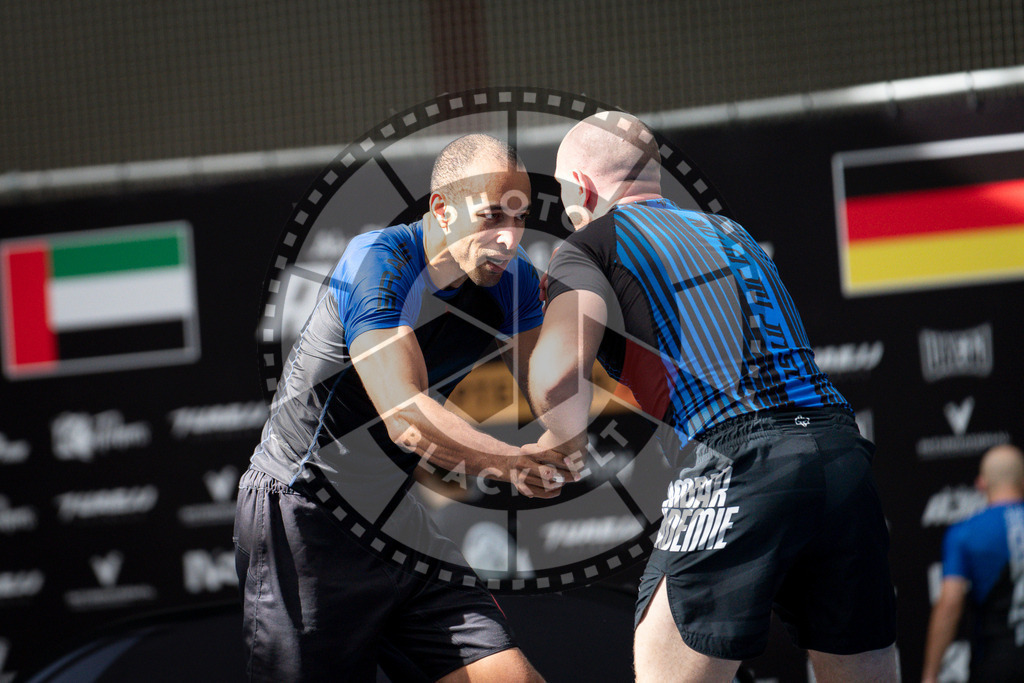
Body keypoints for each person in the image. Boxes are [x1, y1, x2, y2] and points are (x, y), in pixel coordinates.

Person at [526, 111, 899, 682]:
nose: (568, 208)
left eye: (562, 190)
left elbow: (556, 374)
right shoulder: (733, 233)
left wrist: (560, 438)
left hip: (737, 455)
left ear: (584, 185)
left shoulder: (590, 243)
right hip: (840, 452)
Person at [233, 133, 573, 682]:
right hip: (303, 517)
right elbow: (407, 420)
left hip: (396, 520)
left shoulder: (513, 281)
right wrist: (511, 463)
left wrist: (566, 432)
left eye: (520, 218)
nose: (509, 239)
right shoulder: (377, 261)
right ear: (441, 208)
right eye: (491, 217)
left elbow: (548, 389)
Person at [922, 444, 1024, 683]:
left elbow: (950, 605)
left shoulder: (966, 533)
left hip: (996, 663)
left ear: (981, 483)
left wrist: (930, 673)